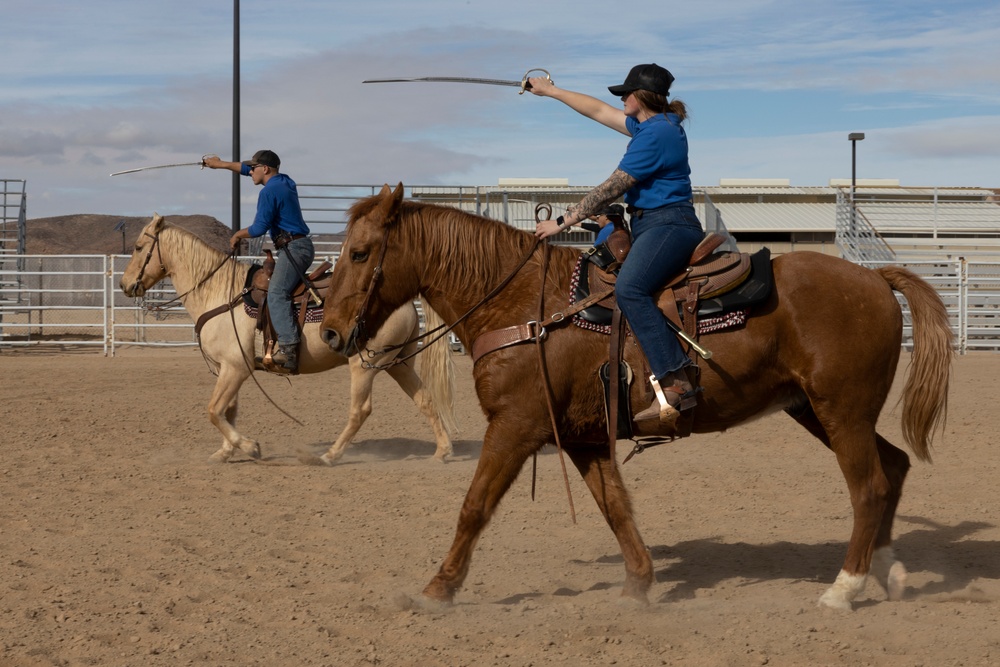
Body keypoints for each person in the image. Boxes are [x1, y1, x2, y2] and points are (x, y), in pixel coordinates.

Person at [529, 63, 704, 426]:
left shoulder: (656, 135)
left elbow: (613, 186)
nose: (621, 98)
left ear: (641, 97)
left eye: (626, 93)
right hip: (653, 224)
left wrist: (561, 222)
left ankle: (675, 381)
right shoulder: (655, 126)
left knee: (631, 289)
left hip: (668, 224)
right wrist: (551, 91)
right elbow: (597, 110)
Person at [204, 150, 314, 373]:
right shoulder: (285, 181)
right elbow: (246, 170)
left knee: (276, 292)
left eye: (254, 167)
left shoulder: (269, 193)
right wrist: (220, 164)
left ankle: (289, 348)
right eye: (250, 168)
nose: (250, 171)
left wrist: (236, 235)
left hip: (293, 249)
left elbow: (258, 228)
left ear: (265, 169)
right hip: (299, 246)